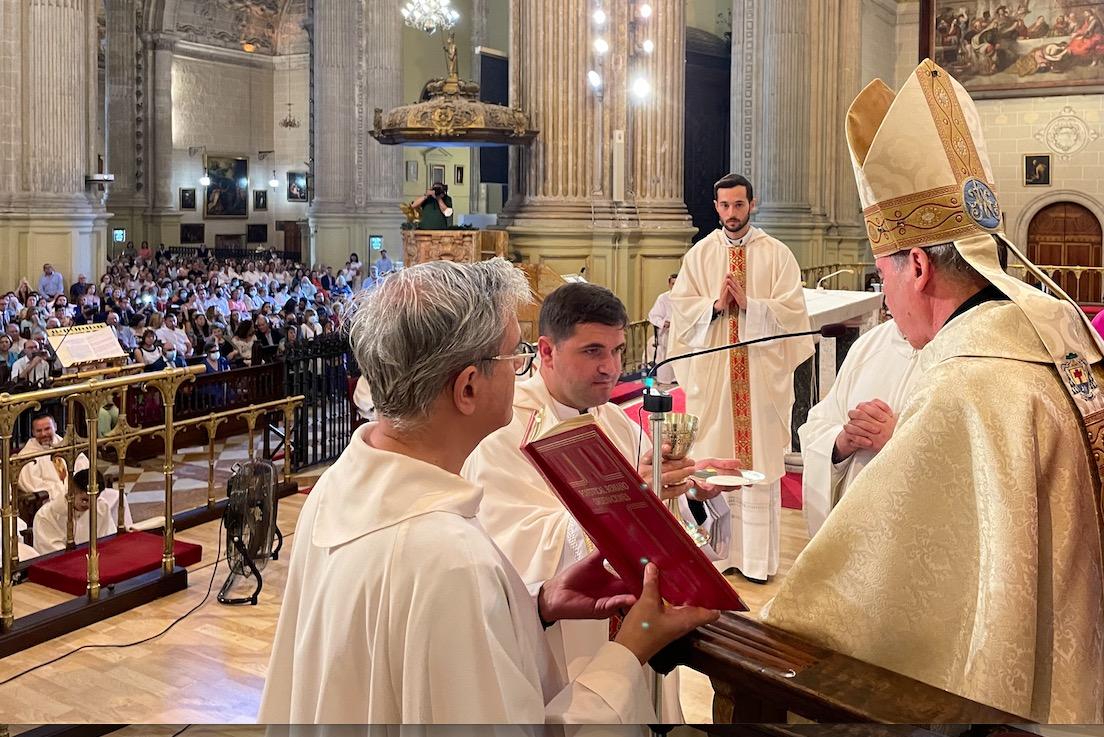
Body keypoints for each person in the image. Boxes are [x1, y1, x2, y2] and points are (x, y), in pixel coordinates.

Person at [761, 58, 1104, 723]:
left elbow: (871, 594)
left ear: (917, 266)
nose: (885, 296)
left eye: (884, 276)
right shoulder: (1053, 337)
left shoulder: (969, 387)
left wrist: (776, 622)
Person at [259, 259, 717, 724]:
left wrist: (534, 609)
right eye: (514, 355)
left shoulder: (339, 486)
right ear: (468, 388)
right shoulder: (448, 559)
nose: (523, 370)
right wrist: (630, 647)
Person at [462, 281, 732, 722]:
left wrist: (691, 494)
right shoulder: (504, 432)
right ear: (546, 352)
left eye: (617, 350)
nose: (610, 367)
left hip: (641, 626)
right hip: (569, 644)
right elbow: (516, 548)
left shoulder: (616, 423)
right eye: (592, 351)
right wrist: (628, 501)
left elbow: (656, 528)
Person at [667, 173, 814, 583]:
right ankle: (716, 556)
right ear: (716, 207)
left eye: (739, 205)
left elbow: (793, 312)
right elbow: (682, 310)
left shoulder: (777, 254)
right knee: (714, 462)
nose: (732, 214)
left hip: (759, 377)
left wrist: (752, 306)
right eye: (725, 206)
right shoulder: (699, 255)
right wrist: (714, 306)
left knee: (758, 468)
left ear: (753, 203)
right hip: (714, 381)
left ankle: (755, 563)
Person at [797, 319, 920, 537]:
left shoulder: (962, 349)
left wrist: (900, 435)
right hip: (855, 534)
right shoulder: (870, 345)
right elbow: (818, 425)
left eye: (888, 282)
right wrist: (842, 441)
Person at [33, 469, 118, 555]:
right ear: (72, 491)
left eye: (94, 499)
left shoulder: (101, 507)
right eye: (84, 500)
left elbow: (108, 539)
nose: (89, 505)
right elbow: (52, 554)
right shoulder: (46, 516)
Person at [17, 413, 89, 503]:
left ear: (55, 427)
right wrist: (61, 492)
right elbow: (33, 486)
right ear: (33, 432)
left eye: (47, 429)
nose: (43, 434)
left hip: (79, 495)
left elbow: (84, 471)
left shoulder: (69, 446)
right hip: (51, 502)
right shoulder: (26, 456)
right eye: (39, 431)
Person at [647, 273, 678, 385]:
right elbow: (653, 316)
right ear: (669, 284)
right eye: (673, 284)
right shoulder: (663, 298)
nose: (675, 286)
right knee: (665, 354)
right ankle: (665, 379)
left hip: (680, 332)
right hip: (667, 333)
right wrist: (663, 323)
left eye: (677, 284)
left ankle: (679, 378)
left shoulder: (686, 297)